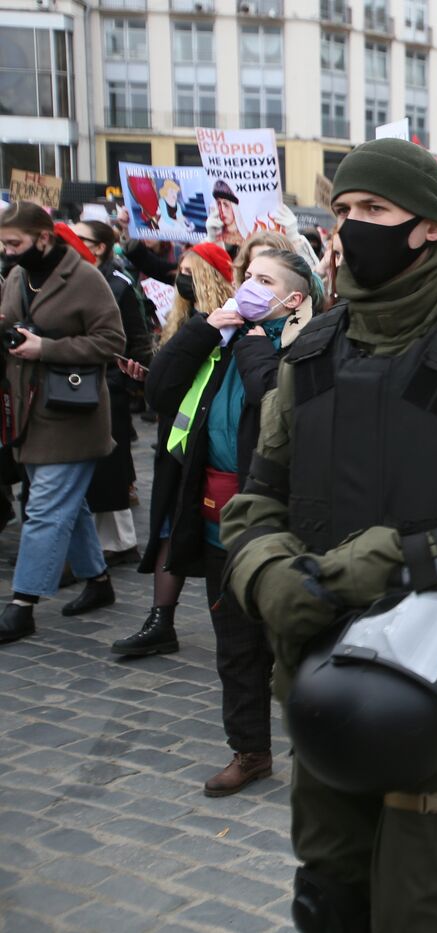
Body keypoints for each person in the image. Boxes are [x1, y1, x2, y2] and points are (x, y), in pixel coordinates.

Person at [219, 137, 437, 931]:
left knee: (419, 913)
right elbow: (256, 502)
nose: (351, 226)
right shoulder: (310, 349)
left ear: (429, 226)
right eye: (343, 210)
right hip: (321, 668)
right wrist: (269, 576)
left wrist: (371, 566)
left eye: (373, 209)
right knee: (329, 896)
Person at [145, 248, 317, 795]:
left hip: (283, 530)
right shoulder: (221, 340)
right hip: (219, 520)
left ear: (293, 299)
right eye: (247, 276)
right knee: (236, 648)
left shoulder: (307, 346)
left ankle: (322, 758)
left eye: (263, 281)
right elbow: (158, 390)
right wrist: (204, 329)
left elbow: (274, 402)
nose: (247, 285)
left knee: (299, 647)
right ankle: (250, 752)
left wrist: (251, 341)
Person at [0, 202, 126, 644]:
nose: (7, 251)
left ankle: (22, 605)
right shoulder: (17, 275)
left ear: (44, 238)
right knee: (68, 505)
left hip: (73, 414)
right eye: (2, 244)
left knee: (45, 508)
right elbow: (12, 323)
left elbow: (112, 341)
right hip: (29, 410)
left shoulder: (86, 278)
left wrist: (46, 348)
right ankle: (98, 582)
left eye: (14, 243)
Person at [116, 242, 236, 657]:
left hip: (212, 447)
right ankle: (160, 619)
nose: (180, 277)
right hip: (177, 445)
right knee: (168, 526)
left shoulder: (229, 324)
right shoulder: (182, 321)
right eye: (179, 269)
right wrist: (148, 378)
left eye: (189, 270)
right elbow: (172, 387)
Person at [74, 219, 151, 565]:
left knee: (112, 466)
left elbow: (137, 338)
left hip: (110, 385)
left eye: (81, 239)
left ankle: (120, 543)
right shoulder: (80, 278)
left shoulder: (118, 283)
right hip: (87, 383)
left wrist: (126, 383)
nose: (72, 244)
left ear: (100, 246)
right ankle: (110, 541)